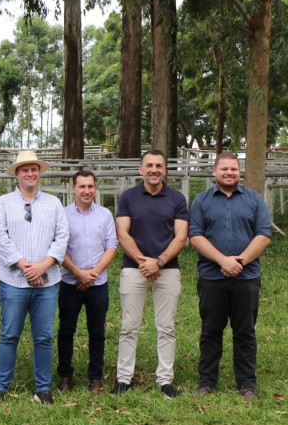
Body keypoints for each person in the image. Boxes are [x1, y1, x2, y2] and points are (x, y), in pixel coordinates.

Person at [189, 153, 271, 401]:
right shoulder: (201, 201)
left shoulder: (254, 200)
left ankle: (247, 384)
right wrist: (222, 260)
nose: (229, 172)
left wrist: (240, 261)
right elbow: (195, 234)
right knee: (210, 330)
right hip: (212, 277)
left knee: (245, 331)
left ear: (239, 172)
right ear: (214, 172)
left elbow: (264, 233)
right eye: (224, 168)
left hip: (246, 278)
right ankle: (206, 382)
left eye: (234, 169)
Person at [0, 151, 68, 405]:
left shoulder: (54, 203)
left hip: (47, 281)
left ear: (39, 172)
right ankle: (0, 387)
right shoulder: (3, 203)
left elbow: (62, 238)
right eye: (25, 170)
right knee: (9, 334)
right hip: (13, 281)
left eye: (34, 169)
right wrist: (25, 267)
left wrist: (42, 266)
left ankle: (43, 389)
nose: (30, 174)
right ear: (17, 174)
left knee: (43, 336)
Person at [112, 149, 189, 398]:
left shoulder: (177, 198)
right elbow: (123, 233)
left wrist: (159, 262)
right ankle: (123, 379)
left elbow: (181, 236)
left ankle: (165, 380)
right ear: (141, 169)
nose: (154, 169)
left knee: (166, 327)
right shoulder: (128, 197)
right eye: (149, 165)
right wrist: (143, 261)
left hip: (167, 270)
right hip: (134, 269)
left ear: (165, 170)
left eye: (159, 165)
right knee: (128, 326)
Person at [57, 170, 118, 396]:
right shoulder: (62, 215)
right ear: (73, 188)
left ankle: (95, 378)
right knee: (66, 330)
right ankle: (65, 375)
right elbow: (58, 248)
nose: (87, 191)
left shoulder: (104, 215)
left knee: (97, 332)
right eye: (82, 186)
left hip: (98, 283)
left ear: (95, 188)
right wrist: (78, 273)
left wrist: (92, 274)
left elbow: (112, 246)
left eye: (90, 186)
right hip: (69, 283)